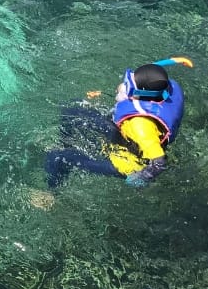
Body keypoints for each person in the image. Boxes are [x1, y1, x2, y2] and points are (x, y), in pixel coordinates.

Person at [43, 57, 193, 191]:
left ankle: (50, 194)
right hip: (124, 135)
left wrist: (143, 177)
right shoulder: (158, 92)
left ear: (141, 95)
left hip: (127, 163)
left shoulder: (140, 126)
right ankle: (67, 144)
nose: (121, 87)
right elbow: (148, 75)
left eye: (127, 86)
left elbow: (160, 161)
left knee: (55, 157)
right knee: (72, 109)